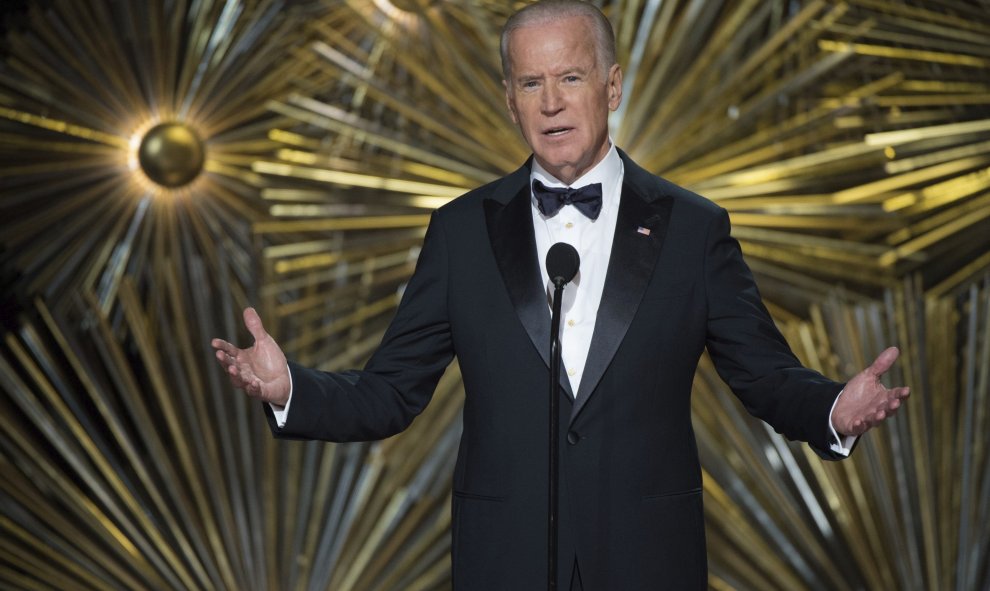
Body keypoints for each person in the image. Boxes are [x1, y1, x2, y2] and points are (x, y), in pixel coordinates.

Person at [212, 1, 909, 588]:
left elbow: (763, 374)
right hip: (504, 557)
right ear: (507, 99)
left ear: (611, 87)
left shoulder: (693, 229)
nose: (550, 103)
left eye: (570, 77)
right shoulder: (459, 231)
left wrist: (832, 410)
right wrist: (288, 390)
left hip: (648, 557)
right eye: (529, 83)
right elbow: (391, 390)